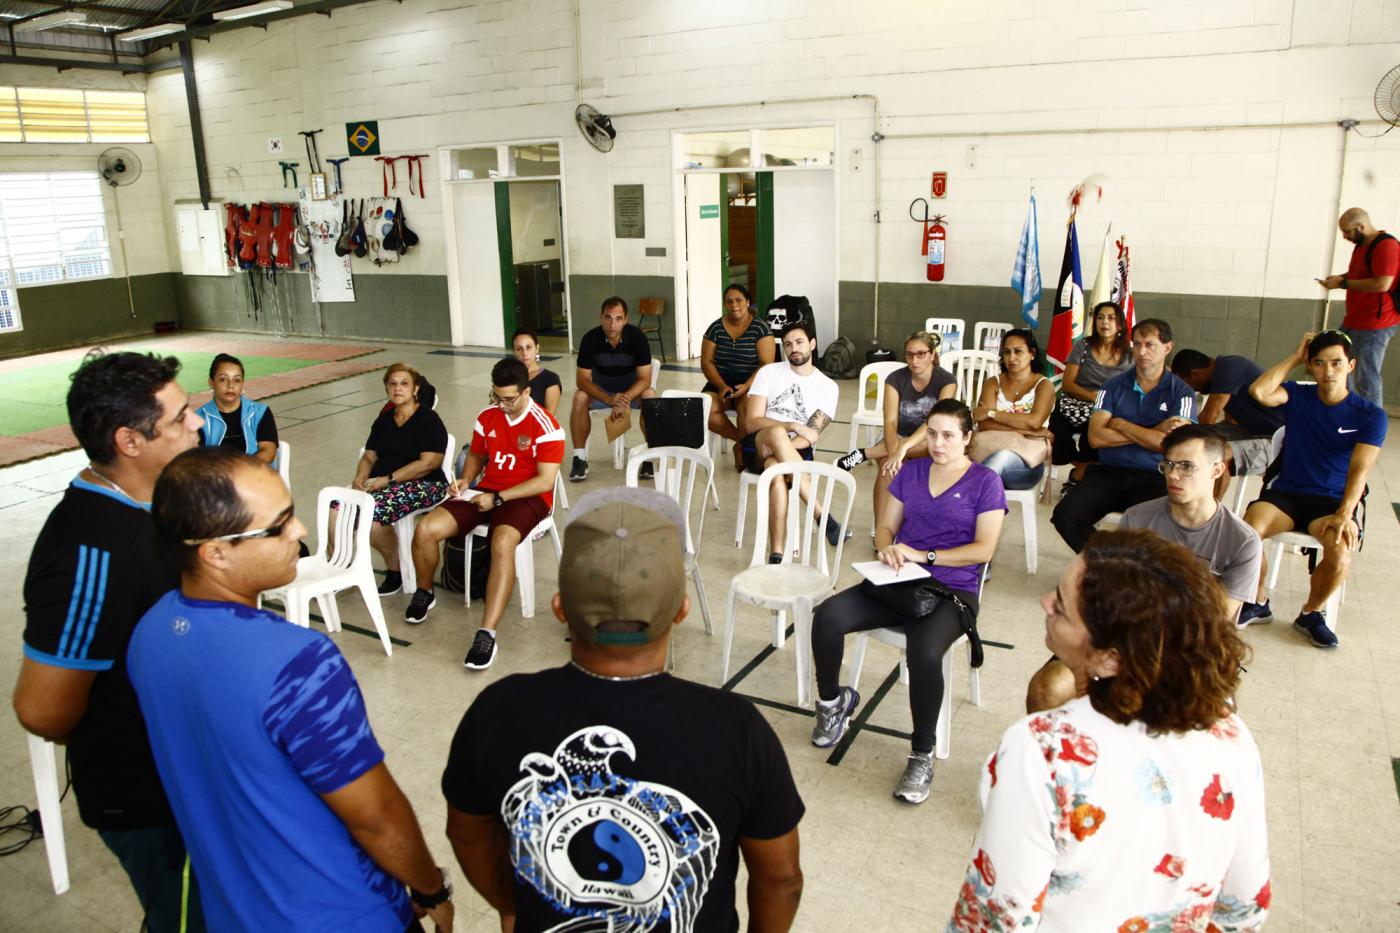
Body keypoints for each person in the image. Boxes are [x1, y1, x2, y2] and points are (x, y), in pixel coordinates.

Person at [442, 487, 805, 932]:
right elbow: (781, 880)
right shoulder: (736, 729)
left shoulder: (498, 710)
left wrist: (512, 906)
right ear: (680, 611)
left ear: (560, 610)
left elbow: (467, 832)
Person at [130, 448, 454, 932]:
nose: (300, 532)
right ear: (215, 552)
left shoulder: (149, 634)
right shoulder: (297, 662)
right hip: (340, 912)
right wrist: (430, 888)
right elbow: (376, 816)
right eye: (278, 526)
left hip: (232, 910)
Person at [951, 529, 1269, 933]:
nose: (1045, 603)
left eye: (1062, 608)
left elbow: (994, 920)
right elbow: (1245, 908)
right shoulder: (1232, 736)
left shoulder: (1043, 750)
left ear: (1109, 658)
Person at [12, 351, 206, 932]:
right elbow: (42, 709)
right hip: (145, 794)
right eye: (180, 417)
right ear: (130, 440)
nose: (196, 423)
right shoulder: (90, 552)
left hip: (186, 772)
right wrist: (130, 727)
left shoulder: (153, 506)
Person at [811, 399, 1006, 805]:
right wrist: (888, 549)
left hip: (954, 590)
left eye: (949, 435)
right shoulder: (912, 471)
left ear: (967, 438)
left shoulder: (985, 482)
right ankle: (832, 702)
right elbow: (885, 527)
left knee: (923, 650)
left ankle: (922, 753)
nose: (938, 443)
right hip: (902, 580)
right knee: (828, 615)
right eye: (932, 434)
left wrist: (926, 556)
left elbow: (984, 549)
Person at [1026, 424, 1263, 713]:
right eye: (1169, 465)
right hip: (1121, 638)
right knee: (1046, 688)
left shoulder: (1242, 541)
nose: (1174, 475)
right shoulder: (1138, 517)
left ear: (1216, 470)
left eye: (1187, 466)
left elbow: (1214, 621)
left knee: (1197, 722)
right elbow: (1110, 591)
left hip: (1186, 651)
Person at [405, 357, 564, 670]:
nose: (502, 405)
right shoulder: (487, 416)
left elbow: (545, 481)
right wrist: (466, 478)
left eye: (509, 399)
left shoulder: (547, 426)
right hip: (485, 490)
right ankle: (425, 592)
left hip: (528, 496)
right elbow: (478, 453)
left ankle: (486, 633)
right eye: (497, 397)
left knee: (502, 541)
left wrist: (499, 498)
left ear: (527, 392)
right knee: (426, 530)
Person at [1237, 331, 1387, 648]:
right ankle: (1258, 600)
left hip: (1332, 502)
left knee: (1341, 550)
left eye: (1336, 363)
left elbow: (1360, 468)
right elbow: (1260, 391)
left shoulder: (1370, 415)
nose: (1328, 371)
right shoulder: (1298, 395)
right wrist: (1295, 357)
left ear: (1351, 365)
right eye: (1319, 363)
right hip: (1287, 495)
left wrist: (1345, 514)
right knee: (1247, 532)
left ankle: (1311, 613)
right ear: (1311, 366)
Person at [1051, 318, 1197, 553]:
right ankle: (1108, 566)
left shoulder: (1182, 393)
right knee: (1065, 516)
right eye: (1137, 344)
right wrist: (1154, 430)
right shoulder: (1111, 386)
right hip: (1109, 472)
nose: (1141, 351)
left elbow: (1171, 447)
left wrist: (1119, 424)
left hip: (1155, 476)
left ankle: (1126, 574)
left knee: (1145, 532)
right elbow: (1096, 438)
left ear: (1167, 347)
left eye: (1150, 345)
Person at [741, 318, 844, 558]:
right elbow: (752, 422)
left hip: (793, 452)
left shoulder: (828, 387)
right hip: (758, 445)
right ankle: (821, 515)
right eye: (787, 344)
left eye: (799, 342)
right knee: (776, 432)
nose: (793, 348)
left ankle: (776, 554)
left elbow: (810, 437)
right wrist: (792, 426)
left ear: (813, 343)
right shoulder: (768, 373)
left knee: (777, 475)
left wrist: (780, 448)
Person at [352, 363, 450, 597]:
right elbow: (369, 455)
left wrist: (387, 480)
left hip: (426, 484)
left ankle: (395, 570)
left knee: (372, 519)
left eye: (404, 383)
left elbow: (429, 463)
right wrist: (361, 477)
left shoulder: (429, 420)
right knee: (338, 509)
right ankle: (341, 570)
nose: (398, 388)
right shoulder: (383, 421)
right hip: (385, 484)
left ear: (416, 389)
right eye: (392, 384)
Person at [836, 330, 956, 520]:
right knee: (887, 468)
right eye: (909, 354)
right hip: (895, 436)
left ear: (932, 355)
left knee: (929, 443)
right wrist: (894, 452)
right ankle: (880, 531)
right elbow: (890, 421)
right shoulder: (895, 379)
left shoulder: (946, 381)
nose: (914, 360)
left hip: (930, 438)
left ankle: (867, 453)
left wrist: (904, 448)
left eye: (921, 354)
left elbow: (934, 422)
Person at [1170, 349, 1284, 500]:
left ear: (1196, 373)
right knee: (1189, 441)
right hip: (1251, 431)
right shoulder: (1224, 374)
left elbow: (1208, 417)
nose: (1193, 390)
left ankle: (1211, 512)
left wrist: (1182, 432)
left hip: (1281, 441)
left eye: (1190, 385)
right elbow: (1230, 421)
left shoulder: (1230, 367)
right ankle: (1190, 496)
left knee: (1219, 454)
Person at [1315, 207, 1398, 407]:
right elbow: (1358, 273)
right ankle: (1349, 412)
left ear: (1360, 226)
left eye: (1347, 231)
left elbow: (1382, 284)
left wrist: (1342, 284)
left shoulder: (1386, 246)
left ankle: (1373, 427)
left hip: (1375, 323)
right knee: (1343, 367)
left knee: (1366, 376)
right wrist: (1339, 278)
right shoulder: (1362, 245)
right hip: (1355, 320)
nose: (1344, 237)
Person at [569, 296, 656, 482]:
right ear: (601, 317)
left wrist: (623, 399)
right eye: (608, 317)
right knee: (579, 397)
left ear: (625, 319)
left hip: (631, 391)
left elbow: (645, 379)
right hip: (602, 392)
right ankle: (579, 458)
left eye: (618, 318)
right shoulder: (590, 339)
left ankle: (648, 455)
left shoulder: (638, 338)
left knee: (649, 395)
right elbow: (582, 381)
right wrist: (609, 399)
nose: (612, 324)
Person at [1049, 301, 1133, 492]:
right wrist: (1093, 397)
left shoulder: (1129, 354)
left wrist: (1103, 402)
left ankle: (1079, 482)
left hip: (1106, 409)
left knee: (1092, 439)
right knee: (1057, 434)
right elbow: (1069, 384)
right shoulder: (1083, 346)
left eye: (1111, 318)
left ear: (1120, 325)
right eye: (1100, 317)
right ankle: (1081, 471)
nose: (1105, 322)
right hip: (1074, 403)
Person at [701, 283, 776, 470]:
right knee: (705, 409)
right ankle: (742, 442)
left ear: (748, 302)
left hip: (752, 383)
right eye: (729, 301)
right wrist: (720, 386)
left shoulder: (760, 328)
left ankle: (743, 449)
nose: (734, 304)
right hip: (720, 383)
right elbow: (707, 362)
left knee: (747, 410)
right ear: (725, 304)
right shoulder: (715, 329)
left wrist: (746, 386)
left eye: (739, 300)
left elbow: (766, 364)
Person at [970, 327, 1055, 490]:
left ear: (1032, 353)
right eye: (1007, 352)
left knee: (1002, 457)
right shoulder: (993, 382)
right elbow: (983, 424)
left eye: (1018, 351)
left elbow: (1035, 421)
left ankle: (966, 502)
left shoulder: (1044, 385)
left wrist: (991, 413)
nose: (1012, 358)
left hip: (1026, 465)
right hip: (986, 452)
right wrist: (1030, 431)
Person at [196, 352, 278, 463]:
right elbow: (196, 460)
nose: (231, 385)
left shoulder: (260, 412)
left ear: (242, 384)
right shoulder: (198, 419)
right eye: (223, 379)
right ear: (211, 382)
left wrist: (241, 471)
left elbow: (268, 450)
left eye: (237, 380)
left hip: (254, 475)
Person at [513, 327, 562, 416]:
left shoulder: (550, 379)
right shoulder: (508, 376)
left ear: (537, 348)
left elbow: (549, 417)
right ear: (514, 351)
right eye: (519, 349)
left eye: (529, 347)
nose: (524, 353)